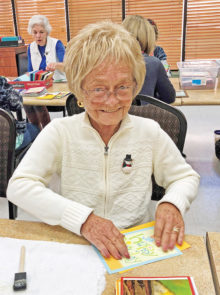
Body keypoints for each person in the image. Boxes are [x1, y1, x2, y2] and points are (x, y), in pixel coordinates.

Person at [7, 21, 199, 260]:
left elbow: (185, 176)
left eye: (122, 87)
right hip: (78, 243)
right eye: (98, 89)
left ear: (135, 85)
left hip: (134, 246)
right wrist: (84, 219)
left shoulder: (149, 131)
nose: (112, 102)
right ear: (79, 90)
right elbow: (19, 186)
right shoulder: (60, 132)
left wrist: (172, 203)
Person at [122, 15, 175, 105]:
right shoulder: (154, 63)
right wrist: (150, 97)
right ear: (148, 37)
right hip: (143, 117)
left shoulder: (110, 62)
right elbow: (170, 97)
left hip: (115, 117)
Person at [25, 15, 66, 129]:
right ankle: (36, 131)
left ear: (47, 32)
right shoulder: (30, 47)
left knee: (37, 101)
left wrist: (57, 65)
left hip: (57, 84)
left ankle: (46, 130)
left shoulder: (57, 44)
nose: (38, 36)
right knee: (26, 101)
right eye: (35, 32)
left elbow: (67, 66)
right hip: (40, 84)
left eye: (41, 32)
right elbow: (30, 71)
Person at [0, 76, 40, 151]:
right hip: (8, 142)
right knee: (36, 129)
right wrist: (9, 87)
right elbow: (16, 105)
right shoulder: (1, 82)